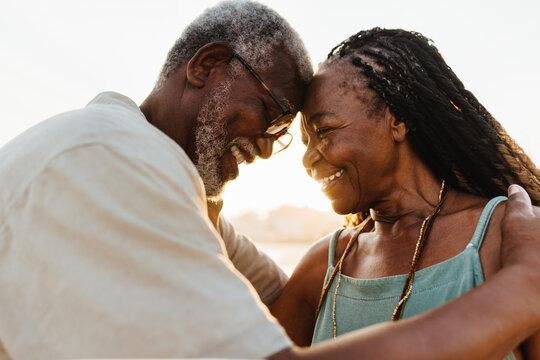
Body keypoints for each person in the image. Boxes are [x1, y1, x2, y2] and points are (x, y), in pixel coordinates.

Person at [0, 2, 538, 358]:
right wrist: (521, 291)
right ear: (208, 66)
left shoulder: (508, 234)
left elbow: (247, 276)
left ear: (398, 121)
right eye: (276, 115)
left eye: (312, 131)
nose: (276, 151)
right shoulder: (109, 161)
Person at [270, 28, 540, 358]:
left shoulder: (509, 237)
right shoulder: (323, 266)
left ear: (396, 120)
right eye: (306, 141)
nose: (308, 158)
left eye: (324, 131)